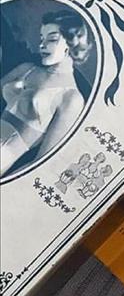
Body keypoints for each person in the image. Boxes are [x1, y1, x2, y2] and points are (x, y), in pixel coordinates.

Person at [0, 10, 93, 177]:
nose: (42, 45)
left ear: (71, 43)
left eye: (52, 39)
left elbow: (41, 163)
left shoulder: (71, 98)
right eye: (42, 38)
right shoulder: (27, 69)